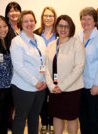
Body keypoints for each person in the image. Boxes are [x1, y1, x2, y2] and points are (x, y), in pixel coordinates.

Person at [45, 15, 86, 134]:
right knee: (57, 116)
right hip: (54, 89)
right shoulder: (51, 45)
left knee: (71, 118)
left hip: (72, 89)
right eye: (60, 26)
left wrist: (62, 86)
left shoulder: (77, 44)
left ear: (71, 28)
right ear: (56, 27)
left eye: (66, 26)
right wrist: (51, 85)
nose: (63, 29)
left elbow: (79, 68)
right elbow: (44, 68)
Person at [10, 10, 47, 134]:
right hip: (23, 87)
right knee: (21, 118)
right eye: (26, 21)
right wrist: (35, 82)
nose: (29, 23)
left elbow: (43, 62)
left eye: (31, 20)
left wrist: (44, 80)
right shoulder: (17, 41)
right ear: (20, 23)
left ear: (35, 22)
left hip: (40, 87)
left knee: (35, 117)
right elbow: (18, 66)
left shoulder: (40, 40)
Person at [75, 7, 98, 134]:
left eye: (89, 19)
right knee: (83, 117)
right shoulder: (78, 36)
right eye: (83, 19)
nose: (86, 21)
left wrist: (97, 84)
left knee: (94, 118)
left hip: (94, 86)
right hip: (80, 84)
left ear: (95, 21)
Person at [33, 6, 57, 134]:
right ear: (42, 17)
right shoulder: (36, 33)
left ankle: (52, 122)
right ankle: (44, 122)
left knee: (53, 96)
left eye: (51, 16)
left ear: (55, 18)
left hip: (55, 70)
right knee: (42, 97)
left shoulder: (59, 32)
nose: (48, 18)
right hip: (41, 69)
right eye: (46, 15)